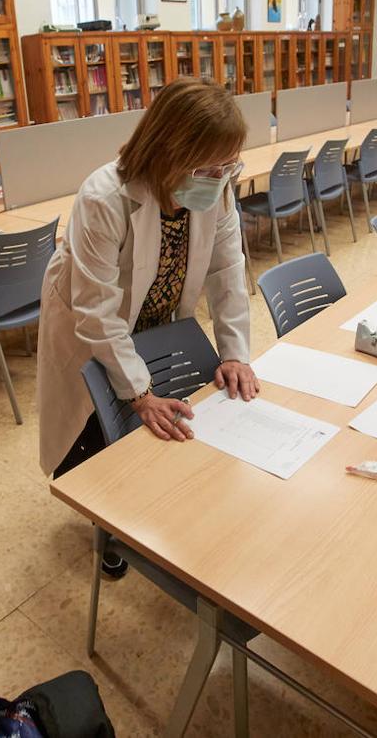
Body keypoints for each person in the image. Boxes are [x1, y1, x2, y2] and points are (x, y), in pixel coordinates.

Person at [36, 78, 260, 492]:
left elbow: (227, 271)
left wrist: (235, 355)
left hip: (154, 315)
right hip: (88, 323)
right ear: (170, 151)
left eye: (228, 165)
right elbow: (98, 311)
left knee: (155, 428)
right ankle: (106, 520)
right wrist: (139, 393)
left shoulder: (215, 189)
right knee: (96, 427)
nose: (220, 177)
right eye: (208, 168)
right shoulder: (105, 197)